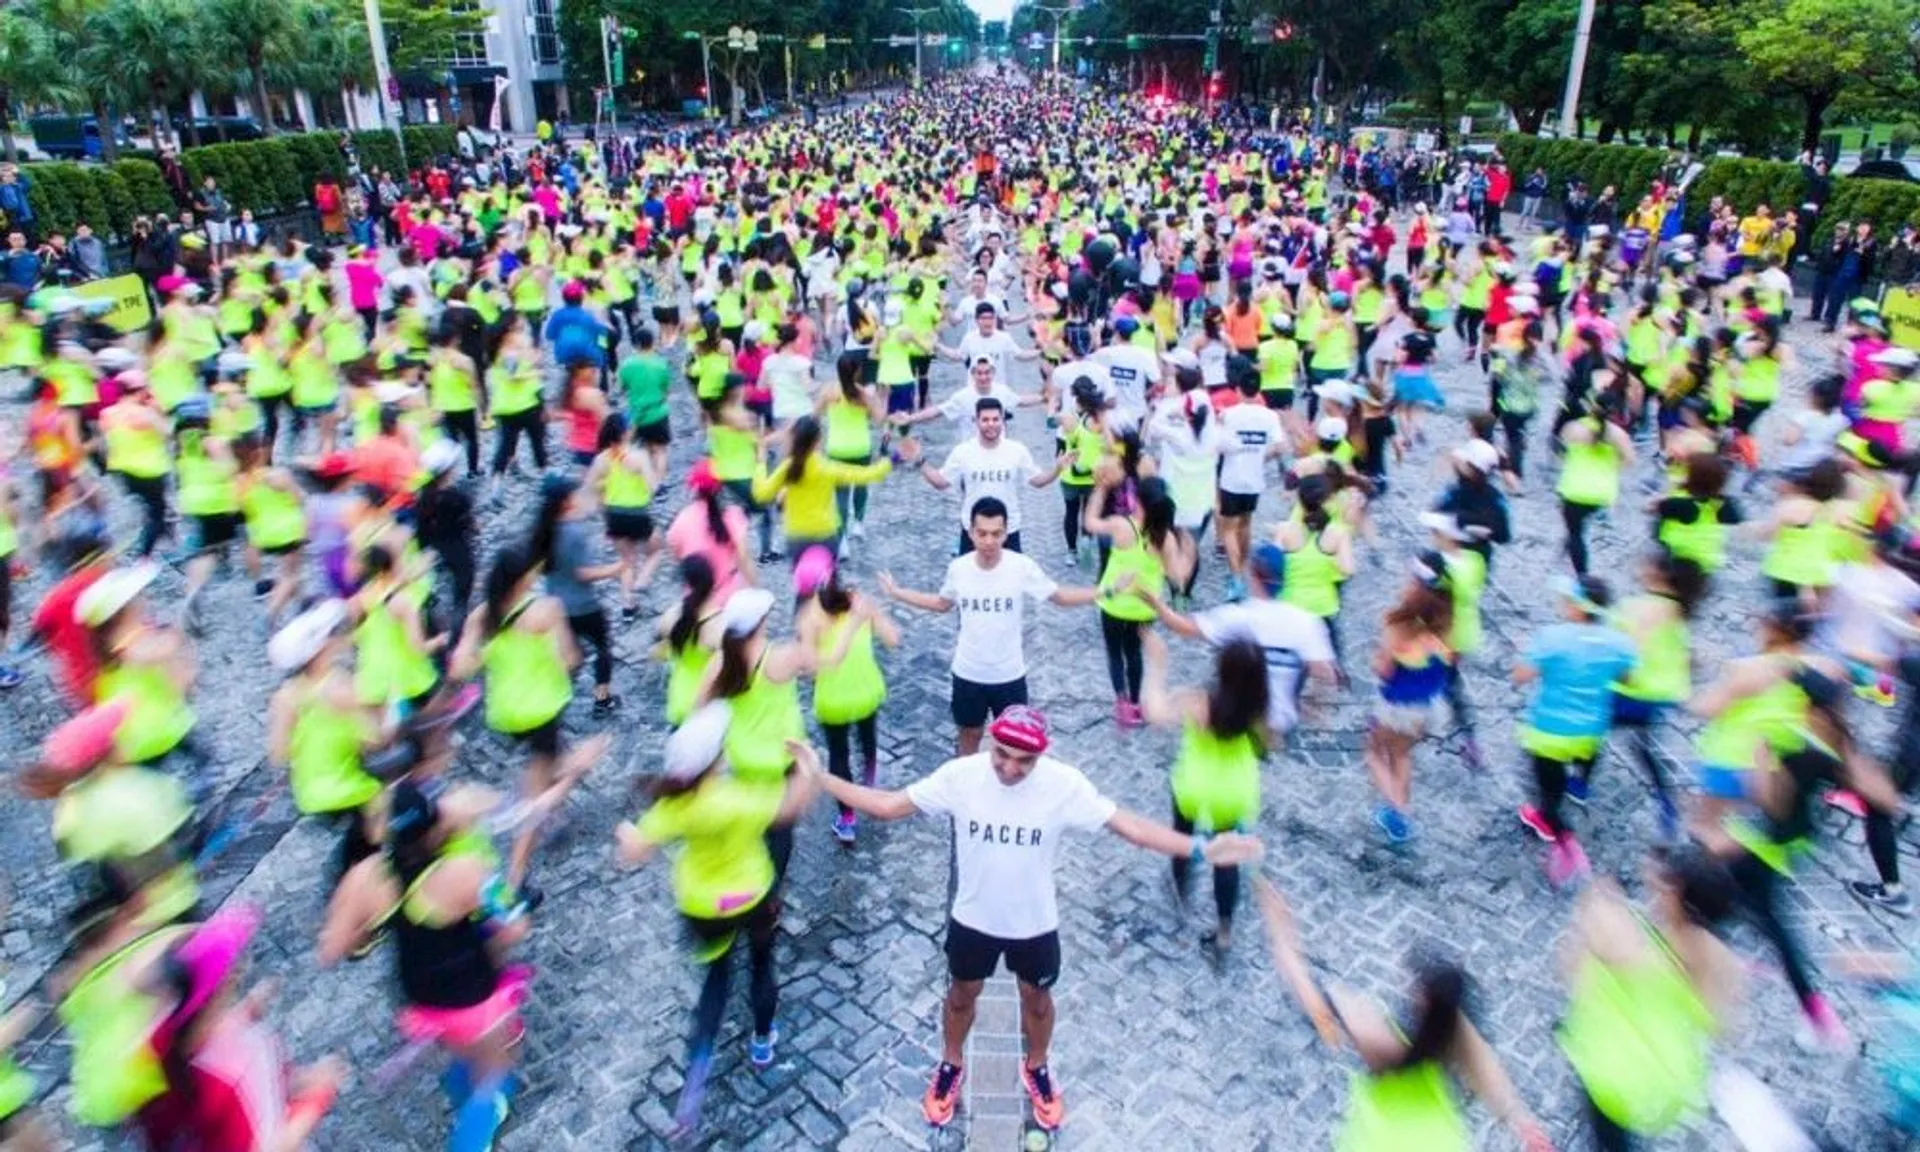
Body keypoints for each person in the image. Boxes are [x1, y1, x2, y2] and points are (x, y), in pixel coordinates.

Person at [807, 705, 1263, 1130]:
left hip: (1034, 925)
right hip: (973, 919)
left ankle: (1038, 1066)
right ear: (989, 742)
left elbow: (1133, 829)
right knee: (961, 996)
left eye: (1023, 761)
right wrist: (822, 779)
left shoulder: (1063, 786)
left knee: (1039, 1002)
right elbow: (888, 807)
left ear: (1040, 756)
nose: (1009, 768)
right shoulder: (960, 777)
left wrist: (1202, 848)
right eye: (1001, 755)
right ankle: (950, 1064)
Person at [613, 705, 819, 1134]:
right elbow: (792, 805)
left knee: (715, 982)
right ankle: (762, 1042)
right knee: (762, 965)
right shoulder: (738, 799)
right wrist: (808, 766)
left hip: (702, 907)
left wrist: (626, 836)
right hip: (752, 897)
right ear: (716, 760)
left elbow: (635, 850)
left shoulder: (675, 805)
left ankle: (696, 1077)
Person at [1251, 877, 1552, 1151]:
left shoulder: (1383, 1043)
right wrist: (1521, 1123)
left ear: (1421, 999)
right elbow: (1487, 1071)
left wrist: (1281, 930)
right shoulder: (1454, 1034)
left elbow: (1311, 995)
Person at [878, 497, 1098, 756]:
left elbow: (1058, 596)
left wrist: (1104, 591)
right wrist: (898, 593)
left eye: (996, 533)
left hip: (1009, 675)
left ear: (1006, 533)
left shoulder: (1021, 567)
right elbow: (941, 603)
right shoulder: (958, 568)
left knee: (1014, 745)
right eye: (982, 533)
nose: (989, 541)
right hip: (968, 673)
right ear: (970, 532)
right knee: (968, 737)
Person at [1558, 848, 1743, 1151]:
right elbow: (1723, 1024)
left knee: (1609, 1132)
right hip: (1665, 1071)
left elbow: (1574, 966)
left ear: (1677, 895)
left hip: (1616, 1069)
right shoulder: (1717, 956)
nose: (1654, 890)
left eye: (1662, 887)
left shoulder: (1641, 953)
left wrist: (1596, 901)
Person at [1139, 628, 1268, 953]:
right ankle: (1224, 931)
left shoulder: (1201, 702)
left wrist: (1157, 663)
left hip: (1195, 783)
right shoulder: (1259, 702)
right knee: (1227, 857)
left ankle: (1182, 889)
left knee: (1183, 835)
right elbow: (1266, 743)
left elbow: (1154, 713)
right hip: (1234, 788)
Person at [1514, 576, 1638, 886]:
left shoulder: (1551, 637)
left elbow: (1521, 676)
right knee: (1579, 767)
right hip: (1590, 732)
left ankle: (1564, 841)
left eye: (1567, 601)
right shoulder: (1619, 643)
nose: (1563, 605)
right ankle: (1577, 790)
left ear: (1578, 608)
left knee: (1549, 796)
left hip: (1549, 734)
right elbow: (1628, 681)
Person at [794, 550, 899, 844]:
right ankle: (871, 785)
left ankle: (847, 818)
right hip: (867, 690)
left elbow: (813, 668)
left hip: (833, 701)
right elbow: (893, 639)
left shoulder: (807, 618)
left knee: (838, 756)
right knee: (868, 740)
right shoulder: (859, 601)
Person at [910, 398, 1061, 555]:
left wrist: (1058, 469)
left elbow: (1037, 481)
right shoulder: (963, 452)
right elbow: (941, 482)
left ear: (1003, 420)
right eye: (985, 420)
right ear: (976, 421)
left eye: (996, 419)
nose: (991, 424)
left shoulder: (1017, 450)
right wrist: (920, 461)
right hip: (973, 531)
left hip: (1007, 531)